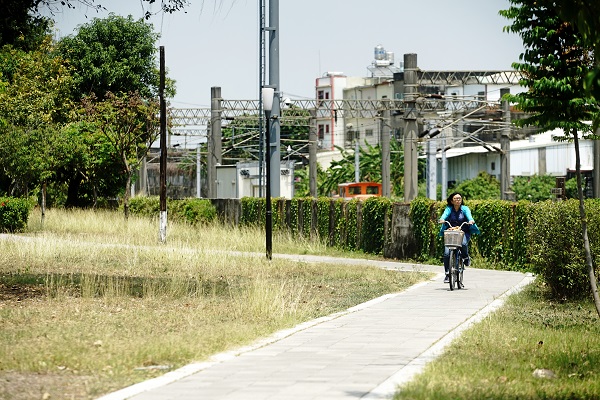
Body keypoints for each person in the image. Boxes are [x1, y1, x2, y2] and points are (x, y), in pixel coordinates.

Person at [438, 192, 480, 283]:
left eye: (459, 198)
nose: (458, 200)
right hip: (451, 233)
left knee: (464, 243)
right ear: (452, 201)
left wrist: (471, 220)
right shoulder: (449, 209)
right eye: (456, 199)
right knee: (446, 254)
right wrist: (442, 219)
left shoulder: (465, 209)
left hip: (462, 232)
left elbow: (469, 216)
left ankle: (465, 257)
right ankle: (447, 274)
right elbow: (444, 215)